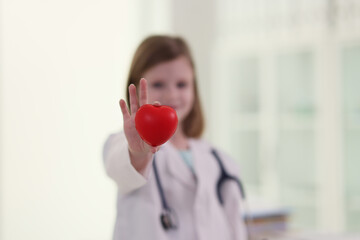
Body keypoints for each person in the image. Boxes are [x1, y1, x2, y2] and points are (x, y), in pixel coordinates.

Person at [102, 35, 248, 240]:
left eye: (182, 84)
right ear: (136, 89)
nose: (171, 94)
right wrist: (138, 152)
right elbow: (120, 167)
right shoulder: (124, 145)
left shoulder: (217, 158)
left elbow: (234, 226)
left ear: (194, 89)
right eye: (159, 84)